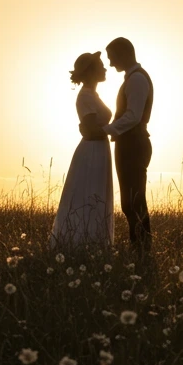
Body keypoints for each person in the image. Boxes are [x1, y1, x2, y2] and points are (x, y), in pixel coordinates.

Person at [81, 37, 153, 254]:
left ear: (124, 54)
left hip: (134, 144)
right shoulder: (132, 79)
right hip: (128, 143)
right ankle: (139, 248)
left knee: (134, 200)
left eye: (112, 58)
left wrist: (104, 130)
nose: (111, 64)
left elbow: (133, 116)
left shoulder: (137, 80)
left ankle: (141, 250)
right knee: (129, 201)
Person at [50, 51, 114, 250]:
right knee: (89, 193)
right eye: (101, 66)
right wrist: (116, 129)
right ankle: (82, 243)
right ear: (91, 71)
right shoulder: (85, 96)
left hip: (99, 148)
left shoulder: (92, 94)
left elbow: (93, 129)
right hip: (93, 151)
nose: (105, 69)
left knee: (95, 193)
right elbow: (91, 130)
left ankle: (93, 243)